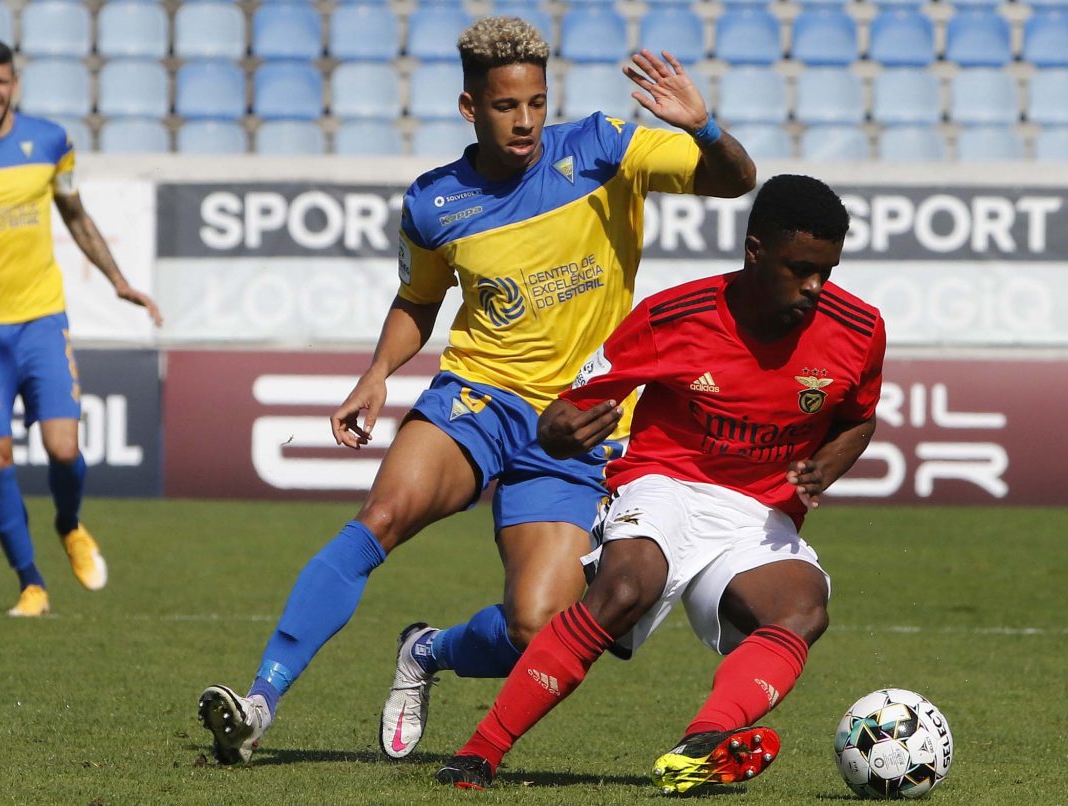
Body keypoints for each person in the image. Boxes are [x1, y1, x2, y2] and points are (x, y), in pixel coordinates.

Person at [198, 16, 756, 764]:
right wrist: (376, 374)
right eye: (505, 106)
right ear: (471, 107)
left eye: (536, 102)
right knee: (383, 515)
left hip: (581, 423)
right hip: (479, 395)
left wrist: (706, 126)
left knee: (537, 627)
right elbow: (418, 303)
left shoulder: (603, 147)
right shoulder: (435, 203)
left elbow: (737, 181)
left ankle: (428, 651)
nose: (525, 120)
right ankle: (260, 700)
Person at [433, 174, 886, 793]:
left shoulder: (859, 329)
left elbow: (859, 418)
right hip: (663, 480)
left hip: (758, 514)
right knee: (624, 588)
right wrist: (562, 431)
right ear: (755, 250)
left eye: (826, 271)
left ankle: (701, 743)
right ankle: (479, 751)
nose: (815, 286)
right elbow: (565, 413)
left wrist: (835, 458)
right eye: (800, 268)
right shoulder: (674, 316)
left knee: (803, 606)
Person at [0, 39, 162, 618]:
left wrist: (117, 279)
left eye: (0, 81)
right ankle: (30, 583)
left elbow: (76, 214)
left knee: (62, 448)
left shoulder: (49, 142)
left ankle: (68, 523)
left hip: (41, 319)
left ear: (13, 85)